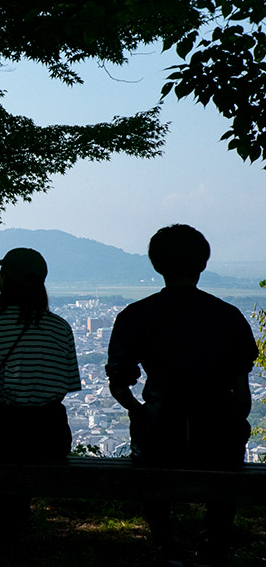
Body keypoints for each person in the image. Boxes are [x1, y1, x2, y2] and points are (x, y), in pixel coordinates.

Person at [106, 224, 258, 567]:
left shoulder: (135, 316)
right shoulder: (228, 317)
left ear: (157, 265)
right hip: (217, 432)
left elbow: (119, 385)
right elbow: (242, 394)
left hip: (160, 431)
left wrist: (140, 412)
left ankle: (165, 539)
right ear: (202, 264)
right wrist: (234, 417)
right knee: (230, 445)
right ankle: (214, 538)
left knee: (148, 447)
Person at [0, 247, 81, 557]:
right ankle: (16, 535)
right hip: (48, 438)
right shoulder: (60, 328)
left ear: (4, 280)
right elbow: (67, 385)